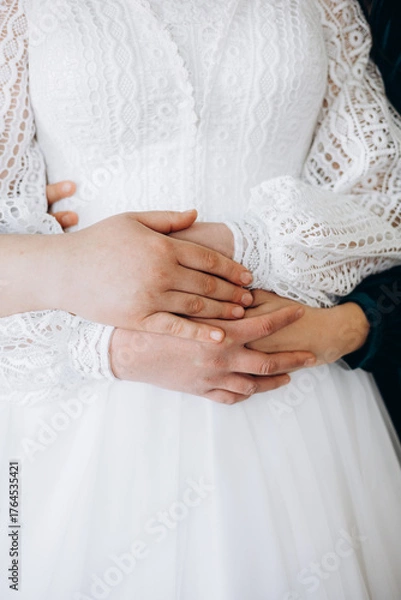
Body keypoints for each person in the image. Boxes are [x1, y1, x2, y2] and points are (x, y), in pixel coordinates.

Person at [1, 1, 401, 599]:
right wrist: (109, 347)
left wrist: (244, 244)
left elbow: (385, 197)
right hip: (76, 392)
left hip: (294, 376)